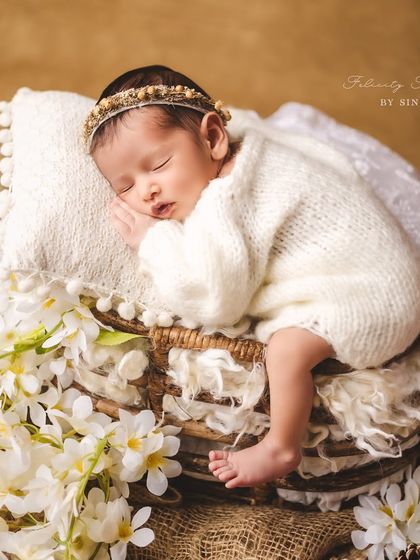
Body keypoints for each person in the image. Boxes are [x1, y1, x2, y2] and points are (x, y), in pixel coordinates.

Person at [83, 64, 420, 489]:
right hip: (385, 271)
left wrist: (154, 241)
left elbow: (216, 301)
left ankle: (281, 446)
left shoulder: (225, 200)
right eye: (124, 186)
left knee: (285, 350)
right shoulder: (247, 153)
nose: (146, 190)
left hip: (376, 299)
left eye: (159, 164)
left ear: (212, 137)